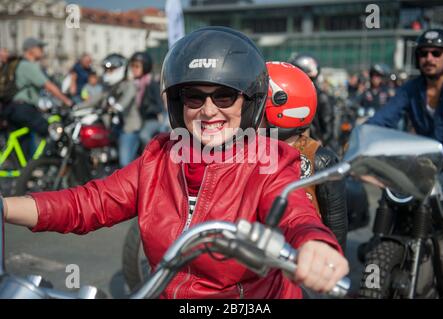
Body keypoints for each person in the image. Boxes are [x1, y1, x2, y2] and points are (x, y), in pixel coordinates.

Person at [1, 27, 348, 299]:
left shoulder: (269, 162)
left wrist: (315, 245)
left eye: (224, 95)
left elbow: (297, 215)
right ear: (178, 104)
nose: (208, 110)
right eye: (194, 96)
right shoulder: (159, 157)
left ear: (250, 103)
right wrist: (5, 207)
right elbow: (88, 203)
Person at [263, 61, 348, 252]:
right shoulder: (244, 148)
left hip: (300, 258)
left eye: (258, 100)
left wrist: (331, 264)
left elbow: (335, 224)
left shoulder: (319, 158)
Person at [366, 29, 443, 153]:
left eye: (436, 53)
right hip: (426, 162)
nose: (429, 59)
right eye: (423, 54)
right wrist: (361, 136)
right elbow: (383, 118)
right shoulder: (410, 89)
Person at [2, 37, 72, 138]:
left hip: (12, 108)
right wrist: (68, 102)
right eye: (40, 47)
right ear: (31, 50)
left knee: (23, 142)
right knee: (51, 132)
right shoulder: (28, 66)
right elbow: (49, 86)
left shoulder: (20, 64)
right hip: (22, 108)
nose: (42, 50)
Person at [288, 54, 335, 148]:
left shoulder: (321, 97)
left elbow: (328, 128)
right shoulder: (294, 94)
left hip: (313, 147)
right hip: (296, 144)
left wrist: (318, 144)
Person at [127, 51, 165, 146]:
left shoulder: (151, 83)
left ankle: (153, 155)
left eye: (137, 66)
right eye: (132, 66)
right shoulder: (135, 84)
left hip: (153, 119)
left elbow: (160, 104)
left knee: (143, 135)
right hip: (139, 120)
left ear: (145, 66)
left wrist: (151, 109)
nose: (133, 69)